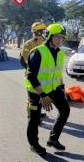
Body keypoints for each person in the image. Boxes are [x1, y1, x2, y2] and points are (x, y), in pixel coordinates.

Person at [24, 23, 70, 156]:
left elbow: (57, 71)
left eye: (62, 38)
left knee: (65, 109)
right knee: (34, 119)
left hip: (53, 88)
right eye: (57, 37)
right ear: (49, 36)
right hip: (36, 91)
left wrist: (62, 87)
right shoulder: (38, 52)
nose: (60, 40)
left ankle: (53, 139)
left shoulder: (60, 52)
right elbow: (31, 76)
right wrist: (43, 95)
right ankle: (34, 144)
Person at [20, 22, 48, 119]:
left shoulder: (45, 42)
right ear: (37, 32)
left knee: (40, 96)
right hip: (32, 76)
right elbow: (24, 60)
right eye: (42, 31)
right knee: (32, 99)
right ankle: (31, 115)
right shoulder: (28, 44)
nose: (44, 33)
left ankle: (38, 113)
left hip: (43, 76)